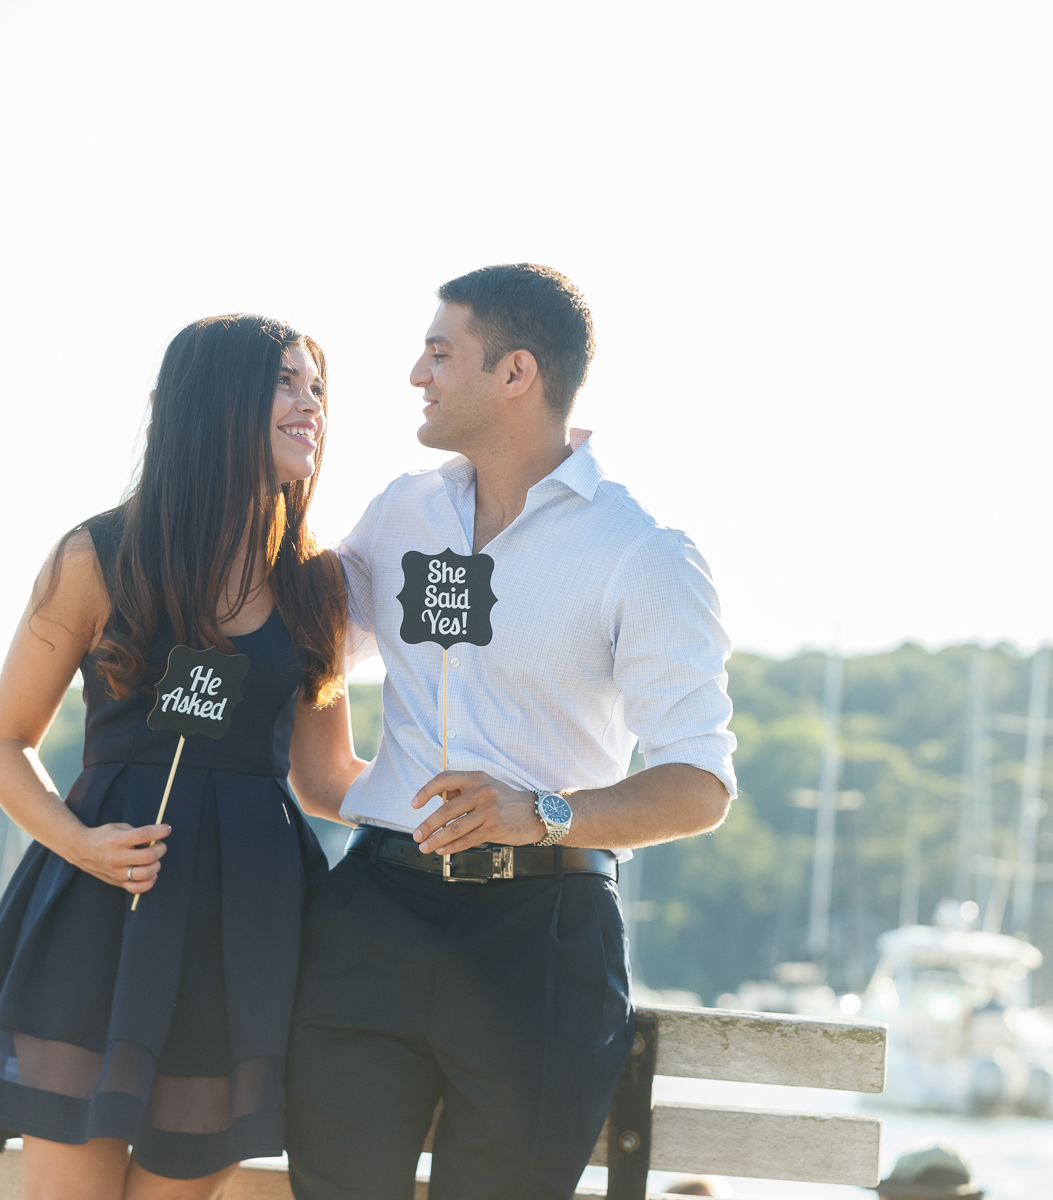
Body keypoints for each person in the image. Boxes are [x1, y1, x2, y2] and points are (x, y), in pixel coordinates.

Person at [284, 264, 737, 1200]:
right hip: (375, 911)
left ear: (515, 374)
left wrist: (542, 812)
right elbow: (309, 642)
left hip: (543, 938)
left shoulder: (643, 554)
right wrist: (333, 779)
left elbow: (700, 784)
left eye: (440, 352)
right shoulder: (402, 511)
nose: (417, 372)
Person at [0, 314, 366, 1200]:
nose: (310, 403)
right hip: (102, 912)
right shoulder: (98, 553)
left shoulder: (319, 582)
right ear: (213, 400)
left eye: (317, 387)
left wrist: (451, 803)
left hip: (246, 929)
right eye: (286, 381)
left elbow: (327, 778)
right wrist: (81, 845)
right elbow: (5, 747)